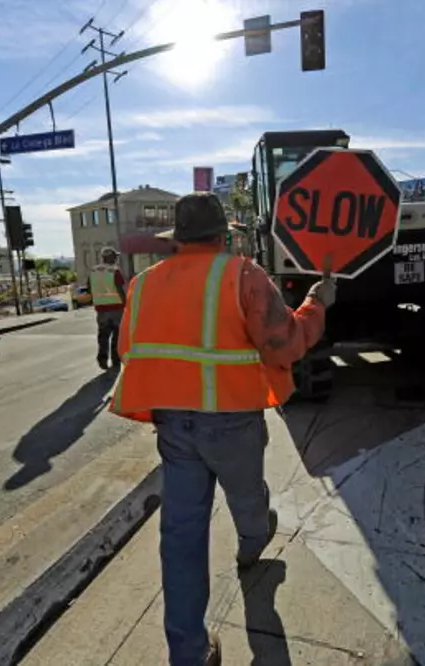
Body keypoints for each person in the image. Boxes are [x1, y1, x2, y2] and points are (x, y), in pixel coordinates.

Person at [109, 192, 336, 666]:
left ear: (178, 239)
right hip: (232, 421)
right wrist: (316, 303)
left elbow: (129, 351)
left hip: (174, 426)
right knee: (247, 498)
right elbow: (284, 344)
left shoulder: (145, 284)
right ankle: (253, 545)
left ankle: (189, 656)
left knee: (181, 539)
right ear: (221, 235)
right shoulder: (243, 275)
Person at [88, 245, 126, 371]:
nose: (116, 259)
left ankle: (102, 359)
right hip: (116, 308)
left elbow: (89, 288)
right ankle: (116, 360)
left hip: (101, 309)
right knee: (117, 336)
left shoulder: (93, 271)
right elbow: (120, 289)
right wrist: (126, 304)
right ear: (110, 257)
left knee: (103, 336)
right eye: (115, 256)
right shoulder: (114, 271)